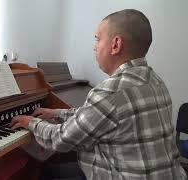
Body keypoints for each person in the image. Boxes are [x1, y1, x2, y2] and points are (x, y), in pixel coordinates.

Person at [11, 9, 187, 180]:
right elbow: (96, 114)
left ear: (116, 45)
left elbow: (60, 139)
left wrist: (30, 122)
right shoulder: (155, 81)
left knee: (49, 171)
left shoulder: (111, 91)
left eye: (98, 39)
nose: (95, 47)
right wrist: (55, 113)